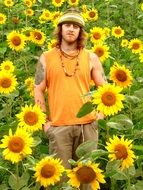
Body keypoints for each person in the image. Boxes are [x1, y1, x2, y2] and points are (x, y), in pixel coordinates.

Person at [34, 7, 106, 190]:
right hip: (59, 128)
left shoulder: (91, 58)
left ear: (81, 31)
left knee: (87, 179)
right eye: (67, 25)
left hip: (87, 127)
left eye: (76, 26)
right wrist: (44, 122)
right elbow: (38, 89)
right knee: (59, 181)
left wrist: (101, 114)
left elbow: (105, 88)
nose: (71, 29)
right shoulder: (46, 58)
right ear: (60, 29)